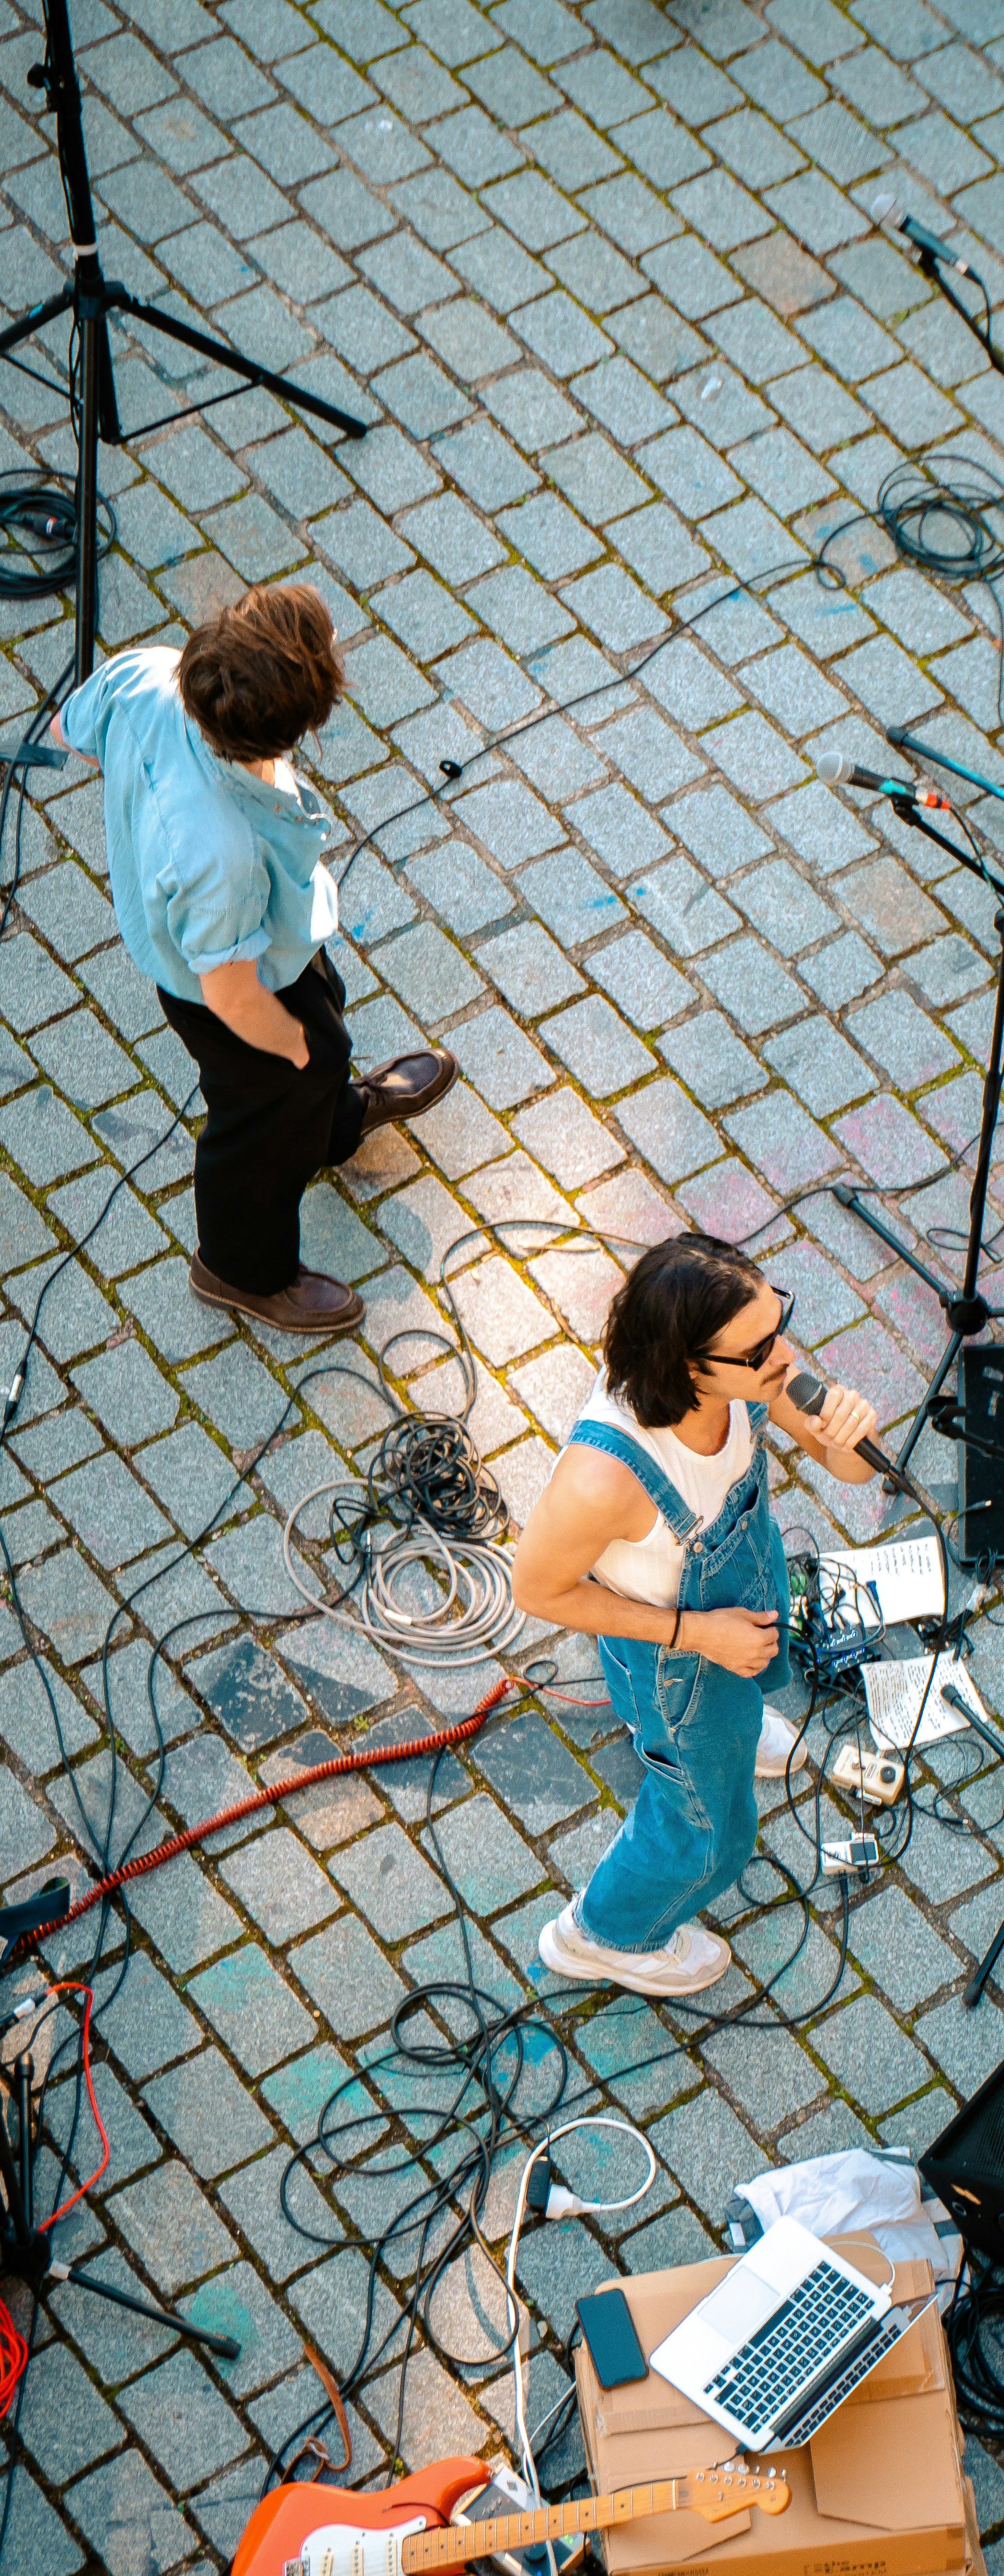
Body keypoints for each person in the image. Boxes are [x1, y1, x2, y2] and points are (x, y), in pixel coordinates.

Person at [50, 582, 457, 1335]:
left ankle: (331, 1124)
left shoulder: (147, 672)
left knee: (324, 1045)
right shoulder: (222, 855)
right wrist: (293, 1047)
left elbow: (70, 730)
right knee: (262, 1113)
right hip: (230, 988)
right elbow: (233, 997)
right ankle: (239, 1270)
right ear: (291, 729)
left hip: (268, 946)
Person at [511, 1233, 884, 1997]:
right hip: (674, 1656)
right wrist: (701, 1636)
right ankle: (604, 1935)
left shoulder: (749, 1368)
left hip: (737, 1594)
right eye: (759, 1351)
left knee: (745, 1695)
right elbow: (538, 1592)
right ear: (688, 1366)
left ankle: (734, 1726)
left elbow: (846, 1466)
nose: (785, 1359)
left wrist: (857, 1435)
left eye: (778, 1322)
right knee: (710, 1826)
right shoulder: (603, 1480)